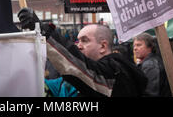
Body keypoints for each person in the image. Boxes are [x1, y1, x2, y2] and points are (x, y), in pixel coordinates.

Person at [18, 8, 148, 97]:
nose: (78, 46)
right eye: (77, 41)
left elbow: (80, 68)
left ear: (103, 46)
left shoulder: (114, 72)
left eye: (85, 41)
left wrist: (44, 32)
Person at [133, 32, 171, 97]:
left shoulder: (150, 65)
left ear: (149, 47)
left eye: (139, 45)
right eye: (134, 46)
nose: (135, 48)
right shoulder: (148, 62)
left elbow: (150, 93)